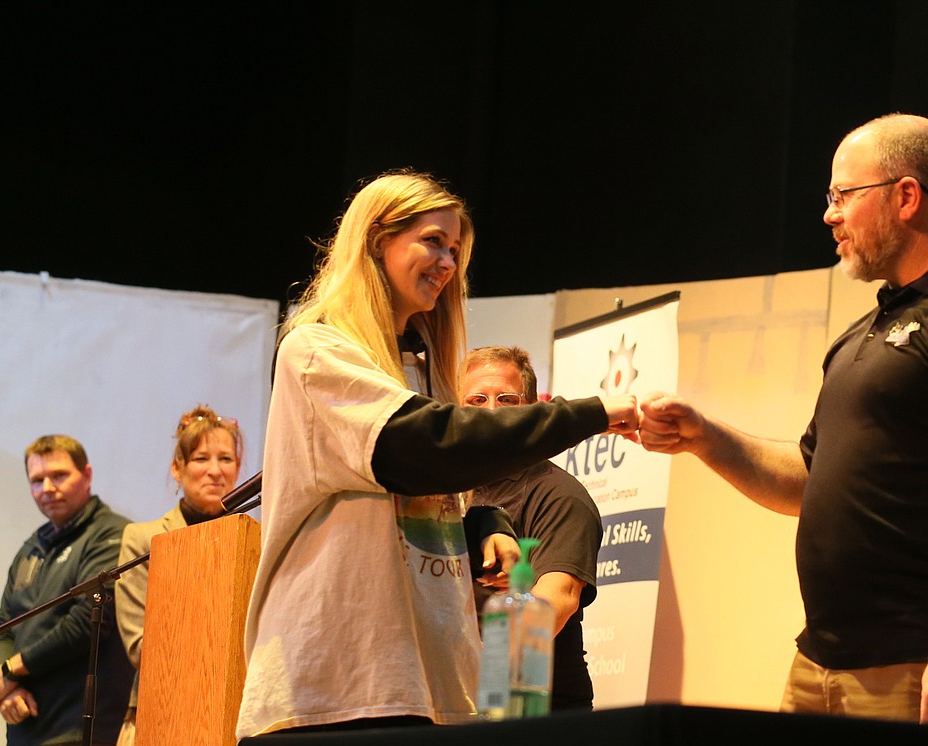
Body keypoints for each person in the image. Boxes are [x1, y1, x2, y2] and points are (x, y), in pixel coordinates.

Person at [638, 114, 928, 730]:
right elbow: (807, 480)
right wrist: (705, 437)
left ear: (906, 196)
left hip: (925, 664)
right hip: (818, 666)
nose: (829, 215)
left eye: (842, 196)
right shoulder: (860, 335)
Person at [236, 170, 638, 738]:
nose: (447, 262)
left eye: (456, 250)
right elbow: (419, 449)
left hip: (454, 692)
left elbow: (549, 599)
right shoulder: (317, 350)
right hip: (338, 686)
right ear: (376, 240)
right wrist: (590, 414)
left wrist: (479, 523)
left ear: (531, 400)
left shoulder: (551, 489)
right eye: (433, 241)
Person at [460, 345, 603, 711]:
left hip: (537, 715)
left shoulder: (560, 495)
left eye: (506, 399)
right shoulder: (442, 493)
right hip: (456, 706)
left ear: (530, 409)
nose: (490, 412)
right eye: (475, 399)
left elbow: (556, 601)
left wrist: (464, 671)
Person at [0, 435, 135, 746]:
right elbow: (2, 623)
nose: (48, 488)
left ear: (87, 475)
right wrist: (8, 687)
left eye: (59, 475)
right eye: (37, 480)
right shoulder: (33, 546)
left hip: (78, 728)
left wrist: (12, 669)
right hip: (24, 725)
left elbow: (86, 621)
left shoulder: (111, 533)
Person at [113, 406, 243, 746]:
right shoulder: (144, 540)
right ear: (177, 468)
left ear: (239, 468)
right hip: (159, 714)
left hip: (236, 716)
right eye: (201, 459)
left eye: (226, 459)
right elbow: (140, 646)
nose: (215, 471)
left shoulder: (254, 541)